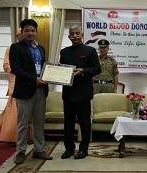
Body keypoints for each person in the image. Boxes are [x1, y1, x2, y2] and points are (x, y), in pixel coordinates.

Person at [9, 19, 53, 164]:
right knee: (23, 123)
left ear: (36, 32)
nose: (30, 33)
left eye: (33, 30)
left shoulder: (41, 48)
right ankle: (20, 152)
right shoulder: (16, 47)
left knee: (39, 123)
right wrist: (33, 79)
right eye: (27, 30)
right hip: (25, 90)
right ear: (21, 31)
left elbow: (43, 67)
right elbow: (16, 68)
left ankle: (38, 150)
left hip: (41, 90)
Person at [59, 24, 101, 160]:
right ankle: (69, 149)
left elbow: (97, 69)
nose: (75, 36)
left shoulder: (90, 51)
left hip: (83, 94)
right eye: (72, 34)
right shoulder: (64, 52)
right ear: (69, 36)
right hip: (68, 94)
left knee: (84, 123)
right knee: (68, 124)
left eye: (77, 33)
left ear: (82, 35)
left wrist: (84, 71)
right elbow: (61, 70)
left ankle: (83, 149)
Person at [0, 28, 32, 145]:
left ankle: (26, 136)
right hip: (16, 82)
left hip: (29, 83)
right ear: (18, 36)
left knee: (26, 112)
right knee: (14, 111)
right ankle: (12, 137)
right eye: (22, 34)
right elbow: (6, 66)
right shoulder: (11, 49)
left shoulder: (32, 49)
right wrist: (20, 71)